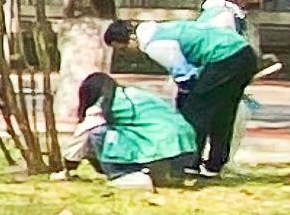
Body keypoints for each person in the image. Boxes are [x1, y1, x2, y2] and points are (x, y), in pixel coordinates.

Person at [107, 13, 263, 178]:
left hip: (225, 58)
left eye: (122, 49)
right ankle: (215, 164)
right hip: (243, 53)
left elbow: (185, 76)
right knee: (223, 113)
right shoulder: (160, 29)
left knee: (194, 113)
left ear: (130, 39)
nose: (125, 54)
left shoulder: (154, 45)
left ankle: (188, 163)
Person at [67, 70, 199, 187]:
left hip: (163, 150)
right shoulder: (135, 93)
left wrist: (68, 164)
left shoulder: (104, 104)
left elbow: (83, 133)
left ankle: (122, 175)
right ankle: (165, 176)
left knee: (98, 133)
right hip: (186, 148)